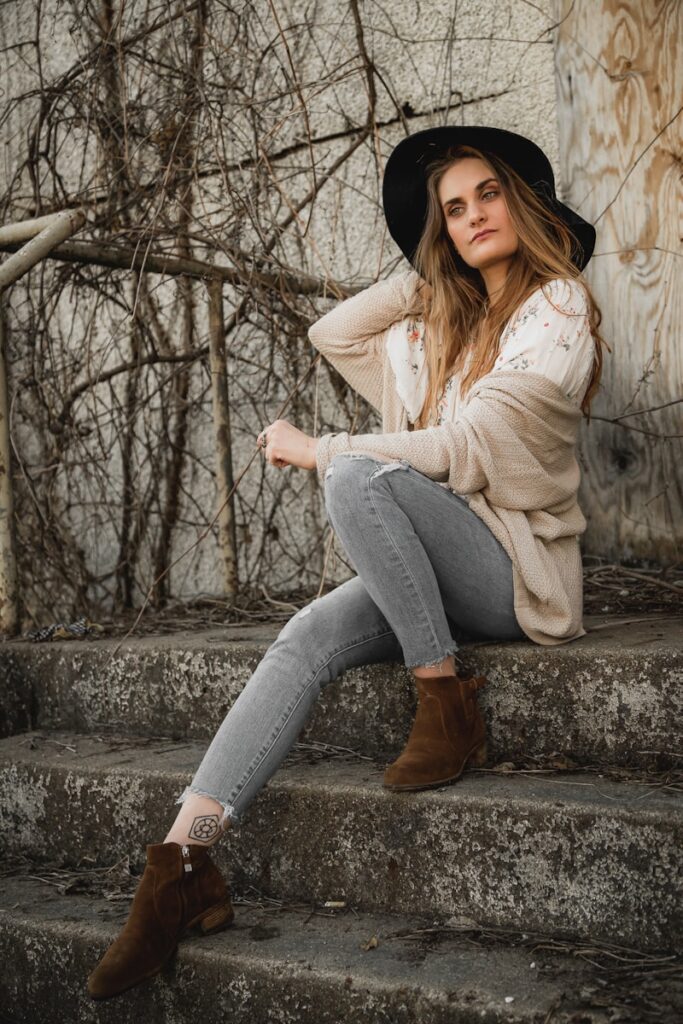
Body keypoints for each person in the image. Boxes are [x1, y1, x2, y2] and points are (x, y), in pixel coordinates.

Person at [87, 125, 608, 1001]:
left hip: (513, 573)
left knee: (357, 467)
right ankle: (181, 867)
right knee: (305, 635)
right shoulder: (433, 329)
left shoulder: (556, 310)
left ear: (522, 203)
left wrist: (321, 447)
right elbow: (333, 330)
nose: (472, 214)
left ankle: (443, 699)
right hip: (433, 559)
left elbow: (470, 443)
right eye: (452, 209)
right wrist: (430, 266)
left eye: (487, 195)